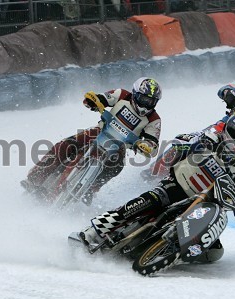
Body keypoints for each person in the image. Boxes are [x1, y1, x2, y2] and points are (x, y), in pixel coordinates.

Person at [80, 109, 235, 262]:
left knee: (214, 253)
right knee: (150, 201)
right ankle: (95, 229)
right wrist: (197, 146)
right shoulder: (210, 136)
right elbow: (179, 141)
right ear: (232, 130)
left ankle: (168, 254)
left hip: (204, 207)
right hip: (177, 185)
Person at [21, 77, 163, 204]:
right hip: (100, 130)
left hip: (120, 146)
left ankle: (91, 189)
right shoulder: (122, 94)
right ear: (135, 94)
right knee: (65, 145)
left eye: (150, 101)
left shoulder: (154, 120)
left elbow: (153, 144)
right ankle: (35, 178)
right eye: (144, 99)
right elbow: (103, 98)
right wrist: (93, 100)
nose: (146, 104)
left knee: (116, 168)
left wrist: (146, 146)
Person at [145, 70, 235, 179]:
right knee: (186, 143)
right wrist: (230, 95)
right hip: (221, 129)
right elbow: (226, 88)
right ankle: (153, 173)